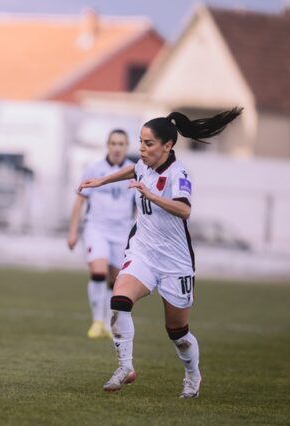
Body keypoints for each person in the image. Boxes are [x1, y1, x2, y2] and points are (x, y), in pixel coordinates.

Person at [79, 107, 242, 398]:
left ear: (167, 146)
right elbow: (133, 169)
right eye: (140, 142)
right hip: (143, 251)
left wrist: (152, 195)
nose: (141, 149)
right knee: (119, 301)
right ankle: (125, 367)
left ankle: (192, 375)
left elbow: (184, 209)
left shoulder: (179, 173)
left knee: (177, 332)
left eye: (148, 143)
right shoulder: (144, 164)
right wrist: (102, 181)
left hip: (174, 261)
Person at [67, 130, 135, 338]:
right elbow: (80, 200)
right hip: (96, 228)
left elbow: (138, 206)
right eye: (113, 143)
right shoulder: (94, 168)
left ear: (127, 146)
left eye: (121, 143)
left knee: (116, 281)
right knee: (98, 272)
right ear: (107, 145)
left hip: (121, 231)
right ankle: (97, 320)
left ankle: (107, 323)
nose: (117, 148)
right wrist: (73, 231)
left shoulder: (134, 170)